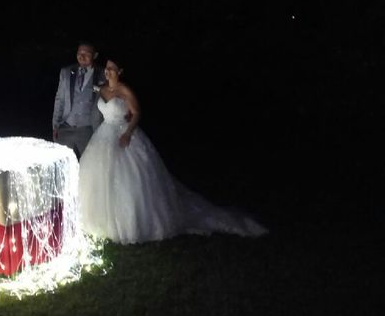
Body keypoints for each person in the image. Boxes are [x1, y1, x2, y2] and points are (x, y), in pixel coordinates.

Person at [78, 56, 268, 243]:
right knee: (99, 176)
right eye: (107, 67)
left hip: (123, 132)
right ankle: (97, 221)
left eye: (112, 68)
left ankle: (129, 223)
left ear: (120, 71)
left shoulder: (125, 90)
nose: (107, 71)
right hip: (104, 134)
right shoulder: (102, 88)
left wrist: (128, 132)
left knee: (127, 177)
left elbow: (136, 112)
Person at [52, 41, 106, 158]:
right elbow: (60, 99)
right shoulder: (66, 72)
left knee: (88, 163)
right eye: (79, 53)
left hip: (89, 129)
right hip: (66, 127)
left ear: (95, 55)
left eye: (86, 54)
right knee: (63, 163)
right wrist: (55, 125)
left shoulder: (103, 74)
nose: (82, 56)